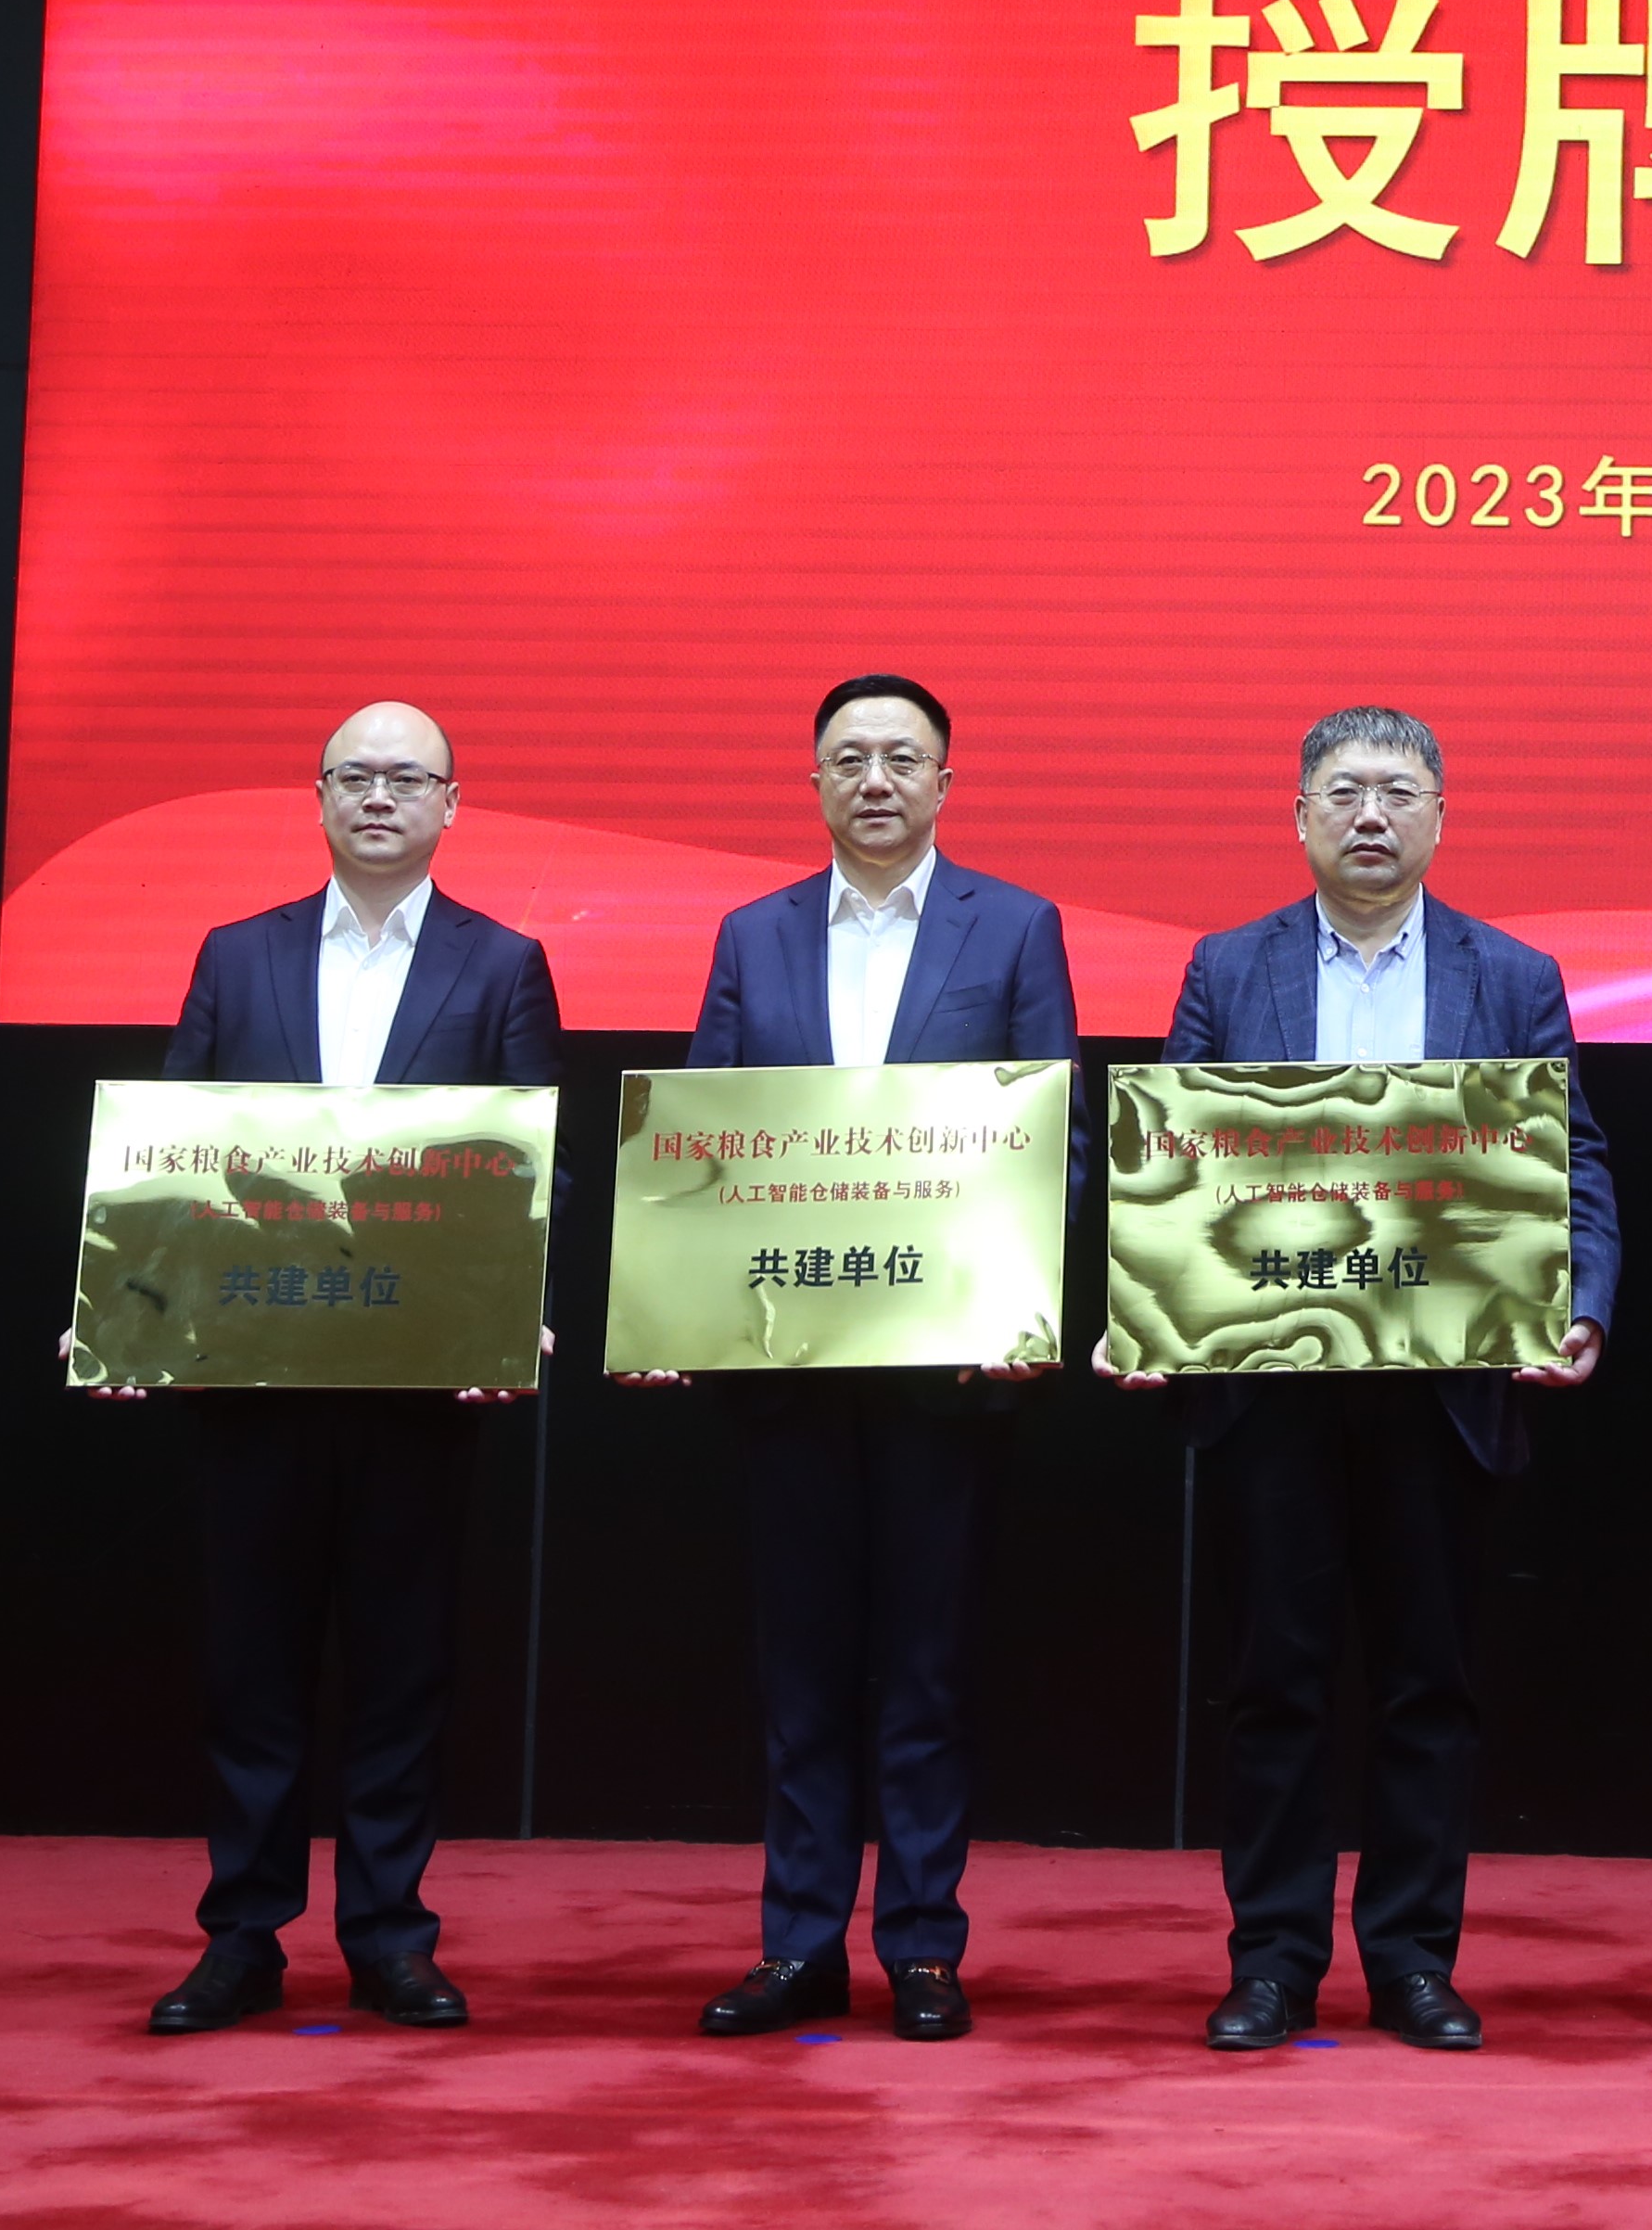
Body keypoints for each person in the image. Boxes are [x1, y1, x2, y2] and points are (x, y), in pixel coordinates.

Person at [1114, 706, 1621, 2053]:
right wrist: (1140, 1311)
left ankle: (1411, 1962)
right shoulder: (1230, 967)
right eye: (1343, 792)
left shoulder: (1512, 974)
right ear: (1300, 817)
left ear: (1441, 817)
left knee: (1427, 1687)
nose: (1371, 816)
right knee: (1274, 1684)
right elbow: (1174, 1163)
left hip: (1441, 1391)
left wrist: (1582, 1303)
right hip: (1271, 1384)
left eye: (1399, 791)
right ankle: (1272, 1963)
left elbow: (1573, 1159)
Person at [133, 703, 565, 2037]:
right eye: (355, 777)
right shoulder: (238, 954)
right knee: (251, 1672)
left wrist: (513, 1319)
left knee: (401, 1673)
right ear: (319, 798)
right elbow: (171, 1160)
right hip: (255, 1372)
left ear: (451, 804)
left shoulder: (504, 965)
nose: (380, 798)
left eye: (407, 779)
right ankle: (243, 1939)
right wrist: (132, 1313)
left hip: (419, 1385)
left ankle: (389, 1936)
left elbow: (532, 1175)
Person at [667, 672, 1080, 2044]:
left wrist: (1021, 1310)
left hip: (946, 1373)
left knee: (926, 1673)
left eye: (904, 758)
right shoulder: (755, 935)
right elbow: (701, 1145)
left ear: (946, 783)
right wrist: (675, 1310)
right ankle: (797, 1945)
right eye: (849, 758)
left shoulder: (1013, 928)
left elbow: (1059, 1142)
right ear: (816, 783)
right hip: (787, 1366)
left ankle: (921, 1947)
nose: (877, 780)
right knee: (800, 1675)